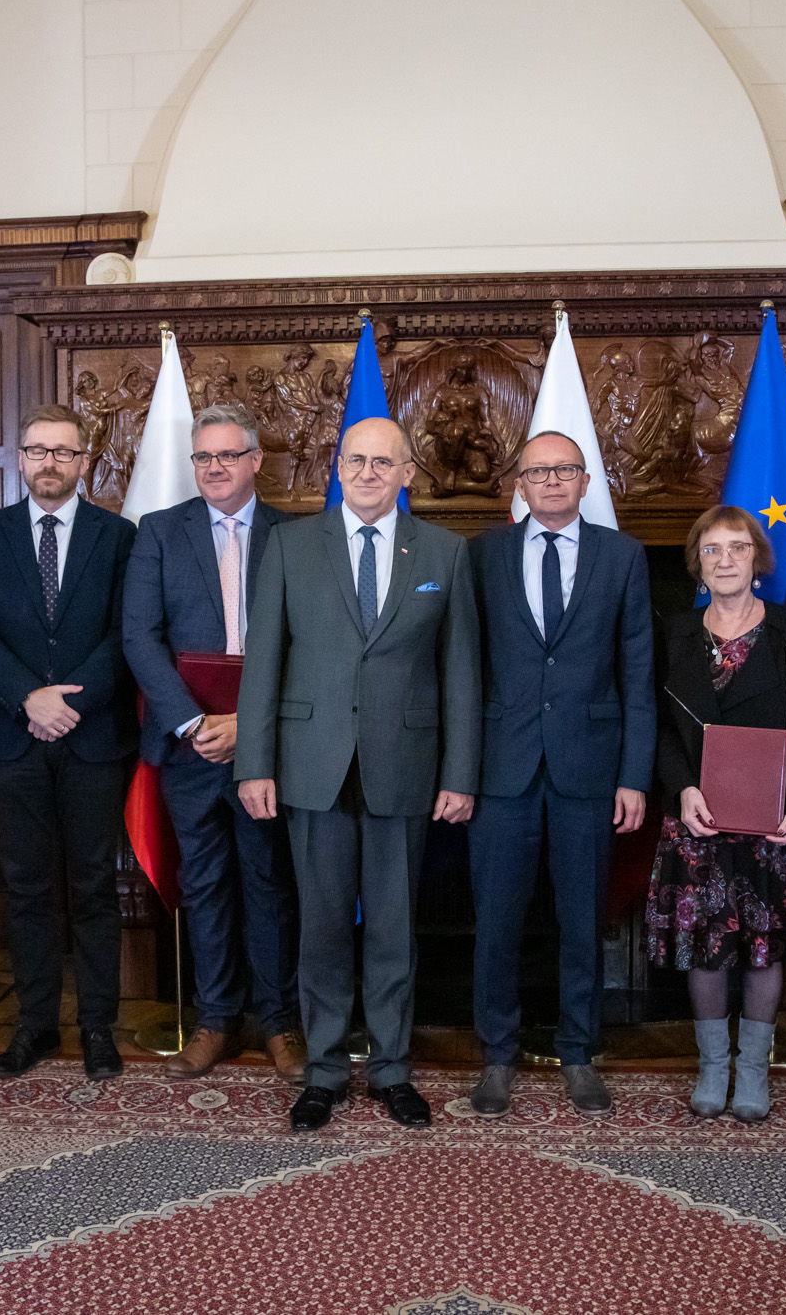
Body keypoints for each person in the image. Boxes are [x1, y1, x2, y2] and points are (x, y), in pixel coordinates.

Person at [235, 417, 480, 1133]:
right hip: (311, 766)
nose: (367, 472)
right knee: (321, 927)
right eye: (355, 460)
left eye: (383, 462)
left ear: (409, 473)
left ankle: (393, 1068)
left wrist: (460, 773)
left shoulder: (444, 552)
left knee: (394, 930)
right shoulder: (289, 545)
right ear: (336, 468)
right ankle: (325, 1071)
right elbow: (264, 667)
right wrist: (255, 763)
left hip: (403, 767)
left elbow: (460, 673)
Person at [466, 431, 654, 1120]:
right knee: (497, 922)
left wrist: (633, 776)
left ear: (584, 481)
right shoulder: (481, 555)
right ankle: (497, 1054)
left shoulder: (623, 557)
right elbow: (465, 668)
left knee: (583, 920)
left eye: (564, 470)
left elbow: (638, 676)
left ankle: (579, 1051)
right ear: (519, 483)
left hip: (589, 768)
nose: (551, 481)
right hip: (500, 769)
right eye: (538, 471)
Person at [122, 402, 303, 1082]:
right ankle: (216, 1020)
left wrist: (248, 726)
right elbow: (140, 636)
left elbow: (304, 643)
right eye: (204, 457)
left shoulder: (294, 534)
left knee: (269, 883)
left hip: (266, 747)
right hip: (188, 745)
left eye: (228, 455)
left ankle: (279, 1022)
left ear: (256, 460)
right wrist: (195, 723)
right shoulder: (160, 532)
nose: (215, 467)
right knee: (203, 885)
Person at [0, 404, 136, 1082]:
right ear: (22, 458)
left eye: (64, 451)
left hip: (94, 738)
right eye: (37, 450)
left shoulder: (118, 536)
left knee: (94, 887)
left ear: (85, 460)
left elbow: (126, 632)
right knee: (28, 889)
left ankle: (97, 1026)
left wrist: (69, 703)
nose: (49, 463)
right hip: (13, 735)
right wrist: (26, 696)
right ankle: (34, 1023)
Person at [650, 506, 786, 1123]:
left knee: (762, 947)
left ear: (757, 557)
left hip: (772, 821)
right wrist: (681, 789)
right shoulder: (673, 631)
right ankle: (712, 1065)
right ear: (697, 563)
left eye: (737, 547)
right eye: (711, 549)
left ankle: (753, 1069)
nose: (725, 559)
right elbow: (661, 726)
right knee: (706, 946)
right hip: (698, 815)